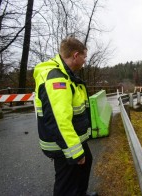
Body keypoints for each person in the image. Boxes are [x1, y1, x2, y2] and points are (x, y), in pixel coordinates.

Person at [33, 37, 97, 196]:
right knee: (66, 182)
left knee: (86, 161)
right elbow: (58, 120)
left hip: (73, 137)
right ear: (76, 55)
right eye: (84, 57)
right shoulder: (57, 79)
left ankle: (80, 193)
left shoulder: (66, 74)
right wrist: (75, 152)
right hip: (63, 143)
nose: (85, 61)